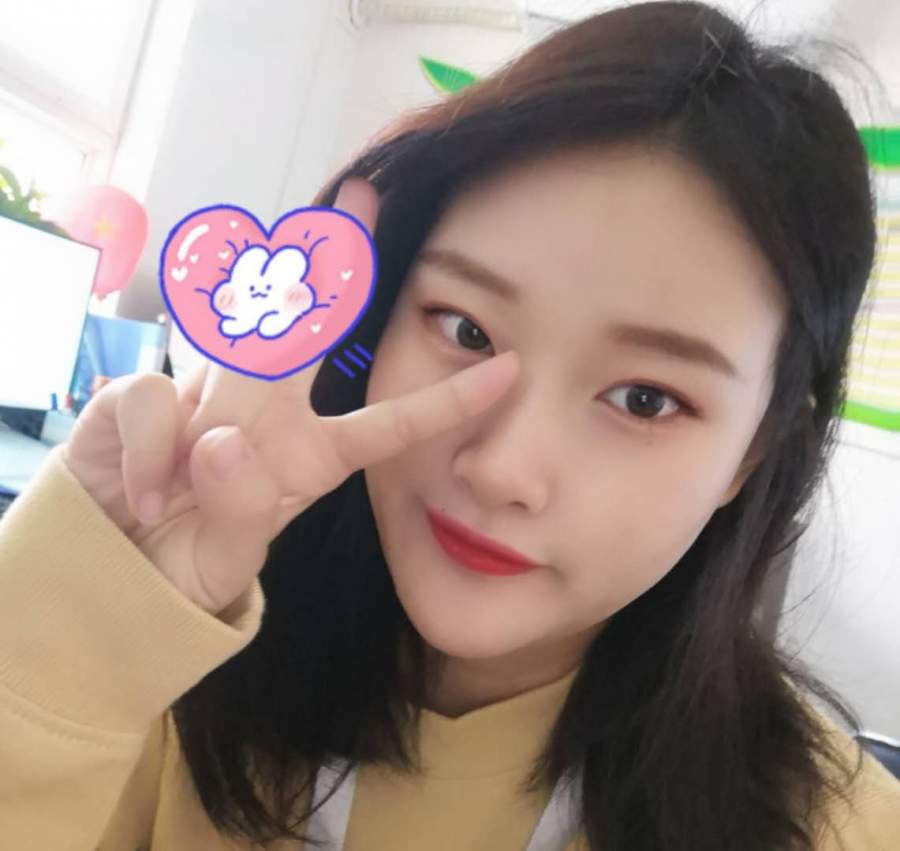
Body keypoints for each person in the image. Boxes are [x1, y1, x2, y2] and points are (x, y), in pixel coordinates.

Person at [1, 2, 898, 849]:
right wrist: (73, 627)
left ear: (751, 454)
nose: (502, 467)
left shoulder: (840, 826)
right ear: (378, 320)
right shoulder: (169, 651)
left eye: (645, 399)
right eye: (466, 330)